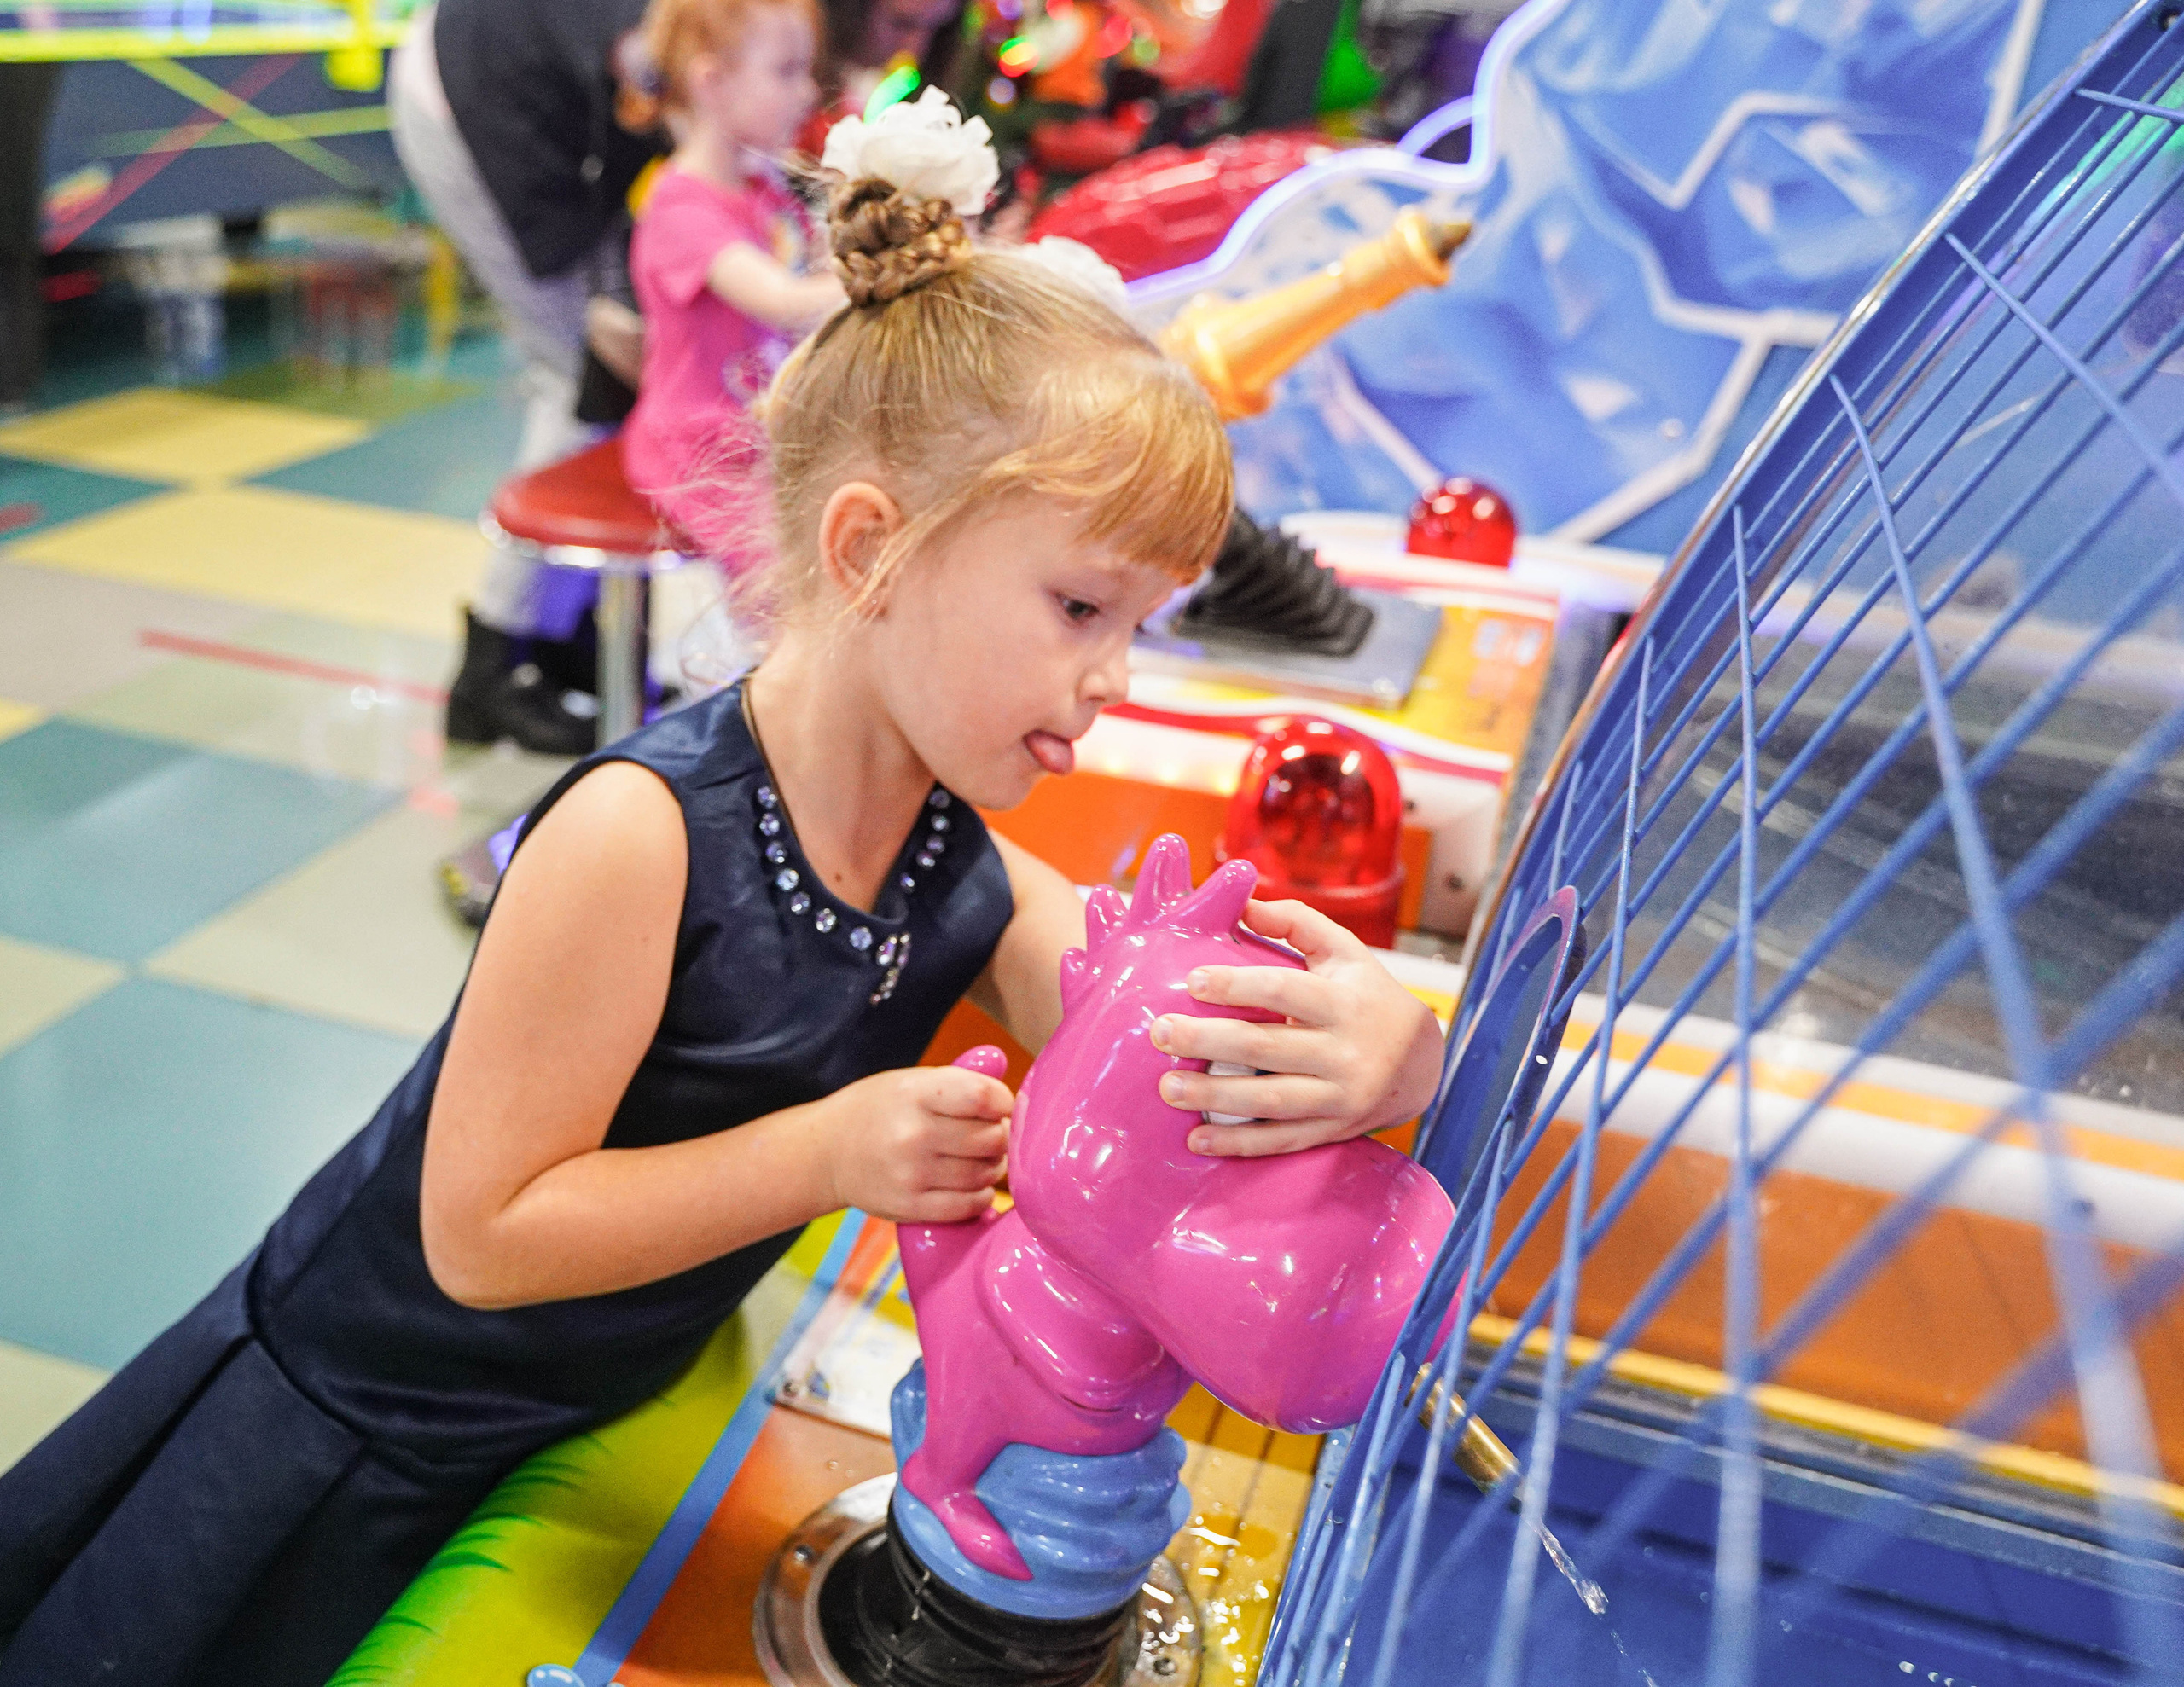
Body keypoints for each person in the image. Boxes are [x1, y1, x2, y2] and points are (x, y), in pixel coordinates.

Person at [0, 100, 1447, 1687]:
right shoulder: (643, 834)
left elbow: (1150, 1039)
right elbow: (477, 1233)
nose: (1111, 677)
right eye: (1080, 605)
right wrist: (823, 1149)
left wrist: (1383, 1050)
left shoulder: (945, 847)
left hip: (604, 1387)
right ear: (874, 548)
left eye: (1140, 624)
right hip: (379, 1418)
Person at [390, 0, 665, 754]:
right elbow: (637, 57)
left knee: (599, 371)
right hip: (475, 85)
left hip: (531, 75)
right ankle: (493, 668)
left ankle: (561, 637)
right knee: (579, 374)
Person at [617, 0, 847, 571]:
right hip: (701, 452)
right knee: (799, 576)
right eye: (787, 70)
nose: (809, 93)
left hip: (766, 436)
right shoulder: (679, 207)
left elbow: (814, 269)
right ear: (712, 83)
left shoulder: (762, 189)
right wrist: (892, 272)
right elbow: (785, 301)